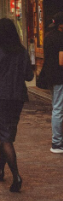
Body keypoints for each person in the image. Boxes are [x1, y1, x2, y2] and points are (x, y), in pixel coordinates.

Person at [0, 18, 33, 192]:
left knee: (5, 137)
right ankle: (0, 170)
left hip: (0, 98)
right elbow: (29, 76)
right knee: (7, 135)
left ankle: (16, 175)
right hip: (17, 97)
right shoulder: (22, 51)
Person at [41, 12, 63, 154]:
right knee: (58, 108)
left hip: (48, 75)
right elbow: (61, 61)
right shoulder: (61, 38)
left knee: (57, 107)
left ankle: (57, 141)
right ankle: (57, 142)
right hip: (59, 76)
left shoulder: (48, 37)